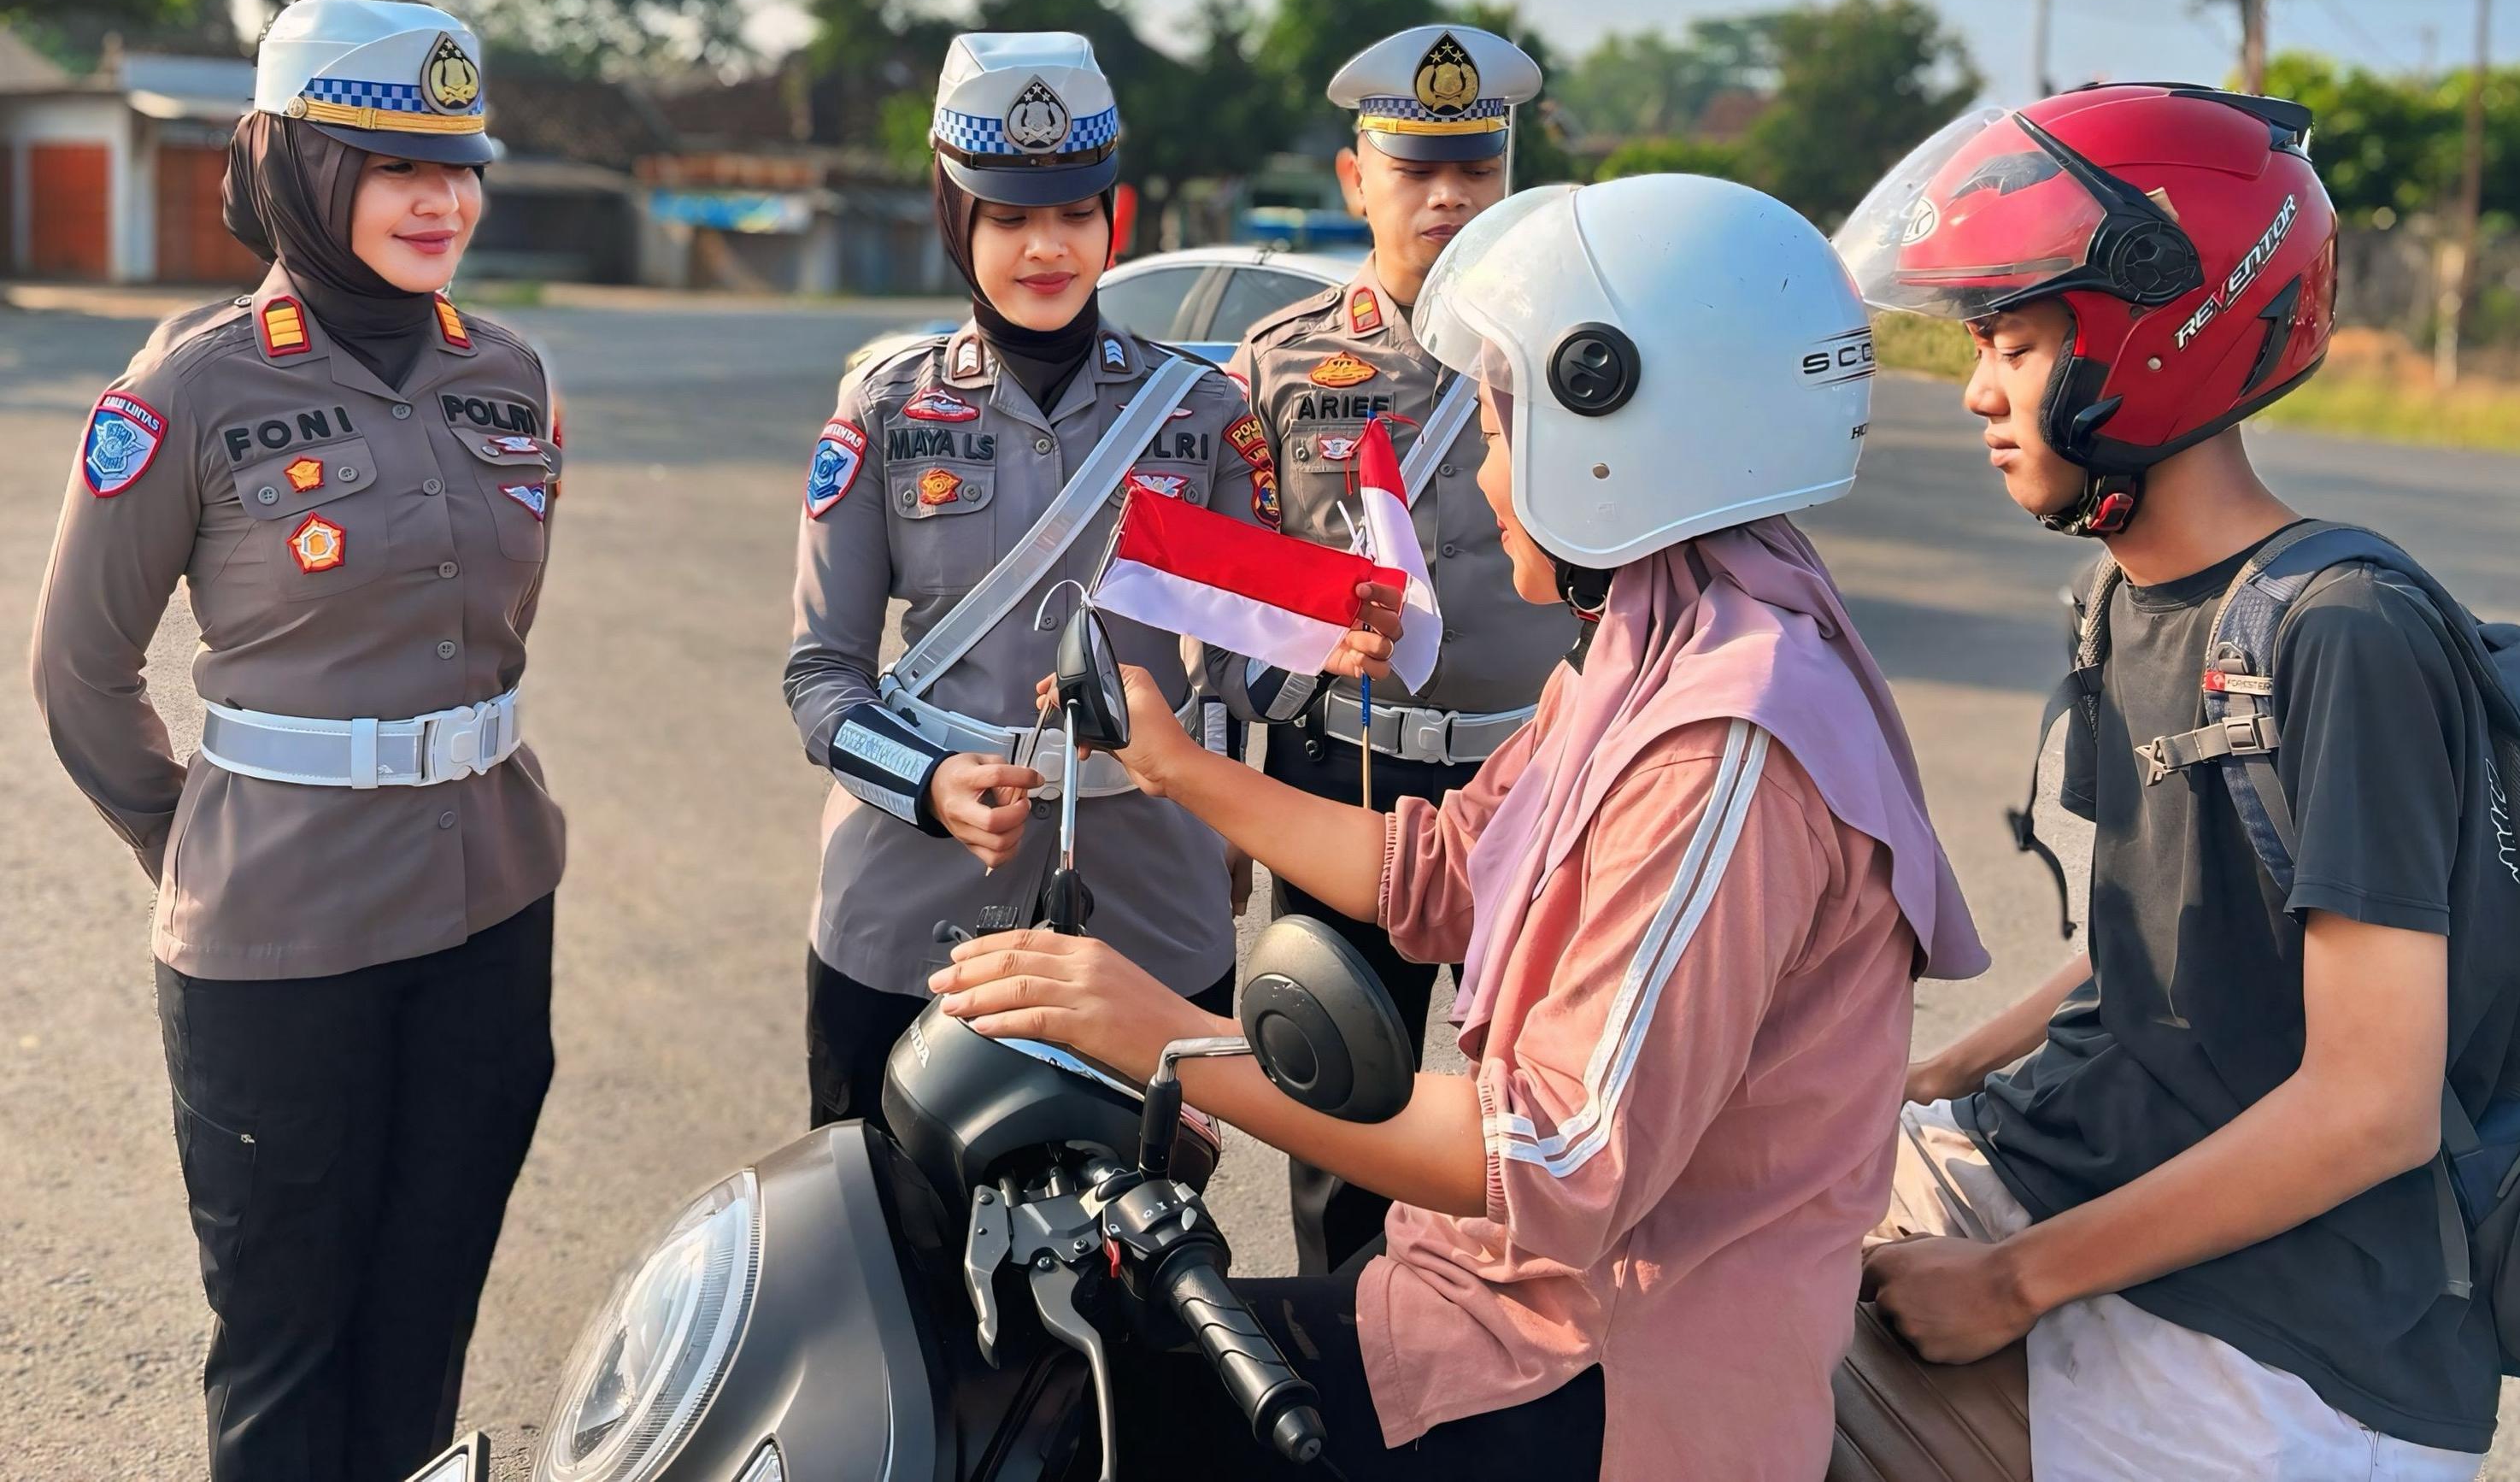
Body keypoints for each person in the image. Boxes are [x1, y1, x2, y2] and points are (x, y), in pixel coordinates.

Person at [931, 173, 1986, 1481]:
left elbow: (1557, 1159)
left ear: (1627, 431)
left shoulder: (1728, 744)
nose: (1481, 468)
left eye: (1499, 420)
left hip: (1609, 1375)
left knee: (1051, 1433)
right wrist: (1174, 765)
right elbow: (1438, 870)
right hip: (1485, 1298)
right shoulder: (1645, 647)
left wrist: (1162, 1038)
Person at [1841, 84, 2518, 1480]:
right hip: (2067, 1163)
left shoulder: (2335, 631)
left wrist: (2009, 1282)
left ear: (2150, 338)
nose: (1974, 391)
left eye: (2011, 344)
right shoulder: (2114, 599)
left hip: (2271, 1345)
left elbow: (2369, 1099)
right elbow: (2135, 942)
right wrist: (1922, 1075)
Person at [32, 0, 567, 1482]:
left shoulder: (507, 372)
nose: (441, 197)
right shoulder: (192, 384)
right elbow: (79, 677)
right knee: (282, 1349)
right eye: (392, 163)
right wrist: (202, 841)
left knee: (425, 1326)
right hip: (274, 940)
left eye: (458, 164)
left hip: (492, 908)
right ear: (291, 166)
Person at [786, 31, 1339, 1127]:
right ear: (958, 215)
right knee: (894, 1246)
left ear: (1111, 216)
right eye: (1009, 216)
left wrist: (1326, 637)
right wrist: (931, 786)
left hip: (1150, 909)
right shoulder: (887, 413)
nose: (1047, 247)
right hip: (912, 906)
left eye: (1075, 213)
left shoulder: (1204, 415)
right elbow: (822, 680)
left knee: (1146, 1249)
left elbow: (1242, 680)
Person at [1223, 19, 1576, 1271]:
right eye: (1413, 167)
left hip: (1535, 783)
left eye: (1474, 168)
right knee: (1337, 1115)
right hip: (1345, 778)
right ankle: (1348, 1378)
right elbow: (1228, 626)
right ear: (1353, 178)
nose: (1446, 196)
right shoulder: (1276, 367)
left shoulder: (1573, 359)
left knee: (1542, 1113)